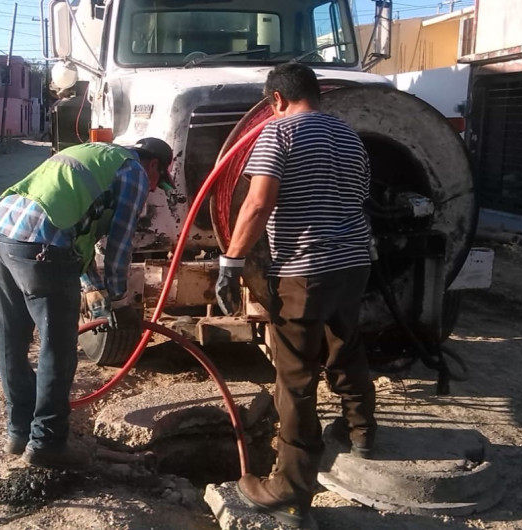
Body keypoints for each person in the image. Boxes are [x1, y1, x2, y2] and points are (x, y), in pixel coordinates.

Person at [215, 63, 376, 526]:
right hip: (353, 264)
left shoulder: (278, 133)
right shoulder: (350, 135)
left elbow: (259, 202)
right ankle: (360, 432)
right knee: (346, 344)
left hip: (305, 271)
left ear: (277, 100)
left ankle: (290, 488)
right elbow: (358, 197)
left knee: (296, 377)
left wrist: (231, 260)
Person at [0, 138, 173, 469]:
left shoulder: (94, 156)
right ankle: (47, 442)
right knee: (58, 347)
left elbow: (75, 232)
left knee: (11, 340)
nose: (153, 189)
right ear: (153, 165)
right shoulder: (134, 171)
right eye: (158, 181)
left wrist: (95, 289)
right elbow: (120, 242)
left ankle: (19, 432)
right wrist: (121, 300)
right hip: (40, 248)